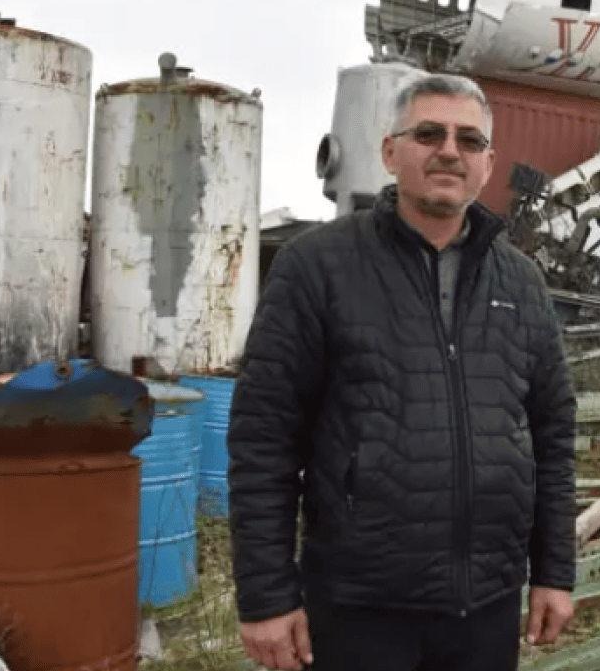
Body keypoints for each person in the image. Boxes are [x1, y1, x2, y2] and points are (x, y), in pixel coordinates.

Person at [226, 73, 578, 671]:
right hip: (359, 609)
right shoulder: (318, 267)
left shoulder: (520, 282)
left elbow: (553, 436)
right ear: (391, 152)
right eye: (429, 133)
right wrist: (265, 596)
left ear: (488, 164)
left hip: (486, 607)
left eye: (470, 140)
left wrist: (554, 572)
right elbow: (265, 439)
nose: (449, 150)